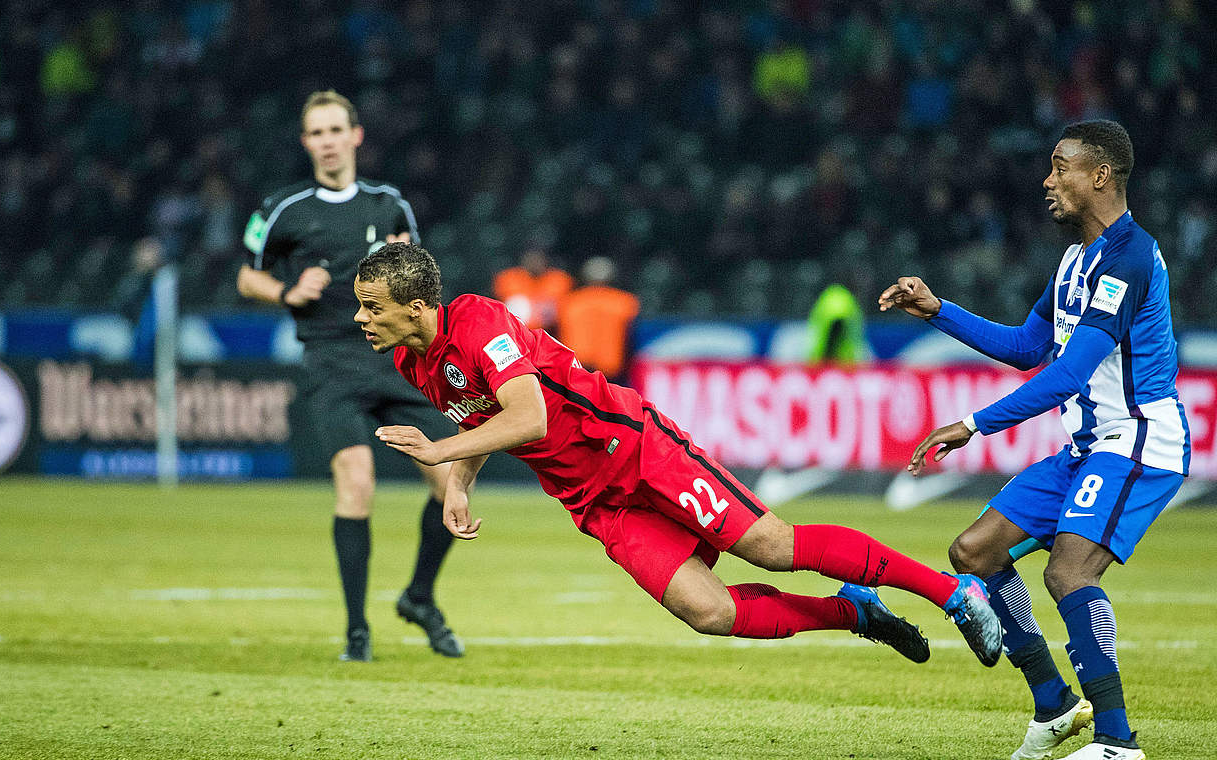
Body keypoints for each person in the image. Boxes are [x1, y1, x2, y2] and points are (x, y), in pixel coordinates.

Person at [351, 241, 1005, 668]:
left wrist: (439, 452)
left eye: (370, 306)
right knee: (708, 612)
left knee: (773, 547)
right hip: (596, 502)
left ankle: (953, 594)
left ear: (416, 306)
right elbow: (490, 418)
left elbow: (530, 414)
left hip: (635, 449)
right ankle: (854, 611)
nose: (361, 318)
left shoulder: (479, 323)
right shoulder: (415, 362)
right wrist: (462, 479)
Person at [879, 120, 1187, 760]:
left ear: (1099, 175)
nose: (1048, 181)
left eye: (1060, 166)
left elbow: (1069, 373)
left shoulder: (1128, 257)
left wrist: (972, 425)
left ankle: (1118, 742)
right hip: (1087, 447)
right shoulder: (1077, 258)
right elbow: (1027, 348)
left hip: (1138, 441)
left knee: (1069, 572)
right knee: (975, 552)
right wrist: (939, 310)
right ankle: (1053, 705)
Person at [236, 90, 463, 662]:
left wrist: (401, 266)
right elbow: (246, 277)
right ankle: (357, 632)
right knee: (357, 483)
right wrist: (287, 291)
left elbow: (419, 286)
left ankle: (418, 596)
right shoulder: (284, 208)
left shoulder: (390, 206)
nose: (328, 141)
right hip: (331, 363)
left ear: (356, 135)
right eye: (317, 133)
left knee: (449, 483)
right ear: (306, 141)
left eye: (336, 130)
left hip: (396, 362)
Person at [555, 256, 639, 383]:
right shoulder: (625, 302)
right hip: (611, 371)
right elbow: (631, 340)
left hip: (576, 370)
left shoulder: (569, 303)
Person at [492, 246, 574, 331]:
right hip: (516, 332)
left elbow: (566, 310)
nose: (534, 263)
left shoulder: (559, 279)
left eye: (538, 259)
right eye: (530, 259)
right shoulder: (508, 278)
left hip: (551, 332)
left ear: (546, 261)